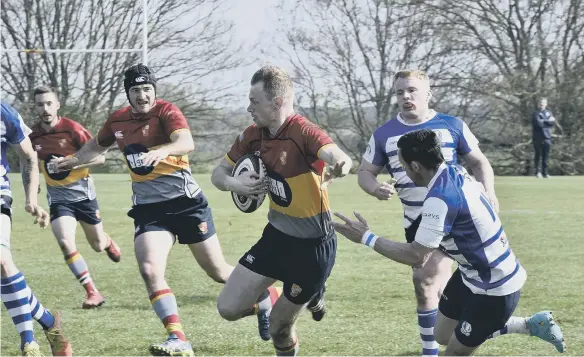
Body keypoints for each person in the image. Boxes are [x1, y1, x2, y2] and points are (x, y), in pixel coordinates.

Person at [334, 129, 566, 356]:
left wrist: (365, 237)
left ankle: (507, 325)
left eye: (404, 166)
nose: (403, 171)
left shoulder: (441, 199)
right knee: (442, 335)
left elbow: (417, 256)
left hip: (495, 286)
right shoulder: (454, 170)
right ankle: (530, 325)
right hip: (470, 274)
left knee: (454, 352)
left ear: (415, 167)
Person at [211, 65, 352, 356]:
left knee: (279, 328)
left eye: (254, 101)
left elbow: (335, 155)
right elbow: (218, 174)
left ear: (277, 102)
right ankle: (270, 296)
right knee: (227, 308)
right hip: (276, 238)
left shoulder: (303, 132)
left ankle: (314, 291)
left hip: (312, 250)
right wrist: (234, 183)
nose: (249, 107)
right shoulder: (252, 135)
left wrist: (340, 165)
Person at [357, 69, 499, 357]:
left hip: (458, 219)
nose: (405, 97)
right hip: (418, 220)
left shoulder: (452, 125)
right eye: (400, 92)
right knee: (424, 285)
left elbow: (479, 162)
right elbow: (365, 172)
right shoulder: (385, 134)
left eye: (411, 90)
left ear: (427, 94)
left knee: (468, 287)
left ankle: (454, 338)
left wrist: (490, 191)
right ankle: (430, 351)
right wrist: (375, 188)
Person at [29, 86, 121, 309]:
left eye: (49, 103)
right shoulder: (33, 136)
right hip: (59, 199)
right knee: (65, 242)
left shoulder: (72, 129)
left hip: (83, 195)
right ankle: (92, 292)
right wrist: (33, 190)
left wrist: (74, 161)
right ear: (35, 107)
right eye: (40, 104)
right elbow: (30, 164)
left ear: (57, 105)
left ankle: (107, 241)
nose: (45, 108)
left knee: (97, 244)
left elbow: (100, 159)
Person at [1, 102, 72, 356]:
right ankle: (50, 323)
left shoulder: (4, 114)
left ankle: (28, 343)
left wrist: (31, 200)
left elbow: (29, 156)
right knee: (3, 276)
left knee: (2, 260)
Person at [532, 98, 561, 178]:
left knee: (546, 156)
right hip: (538, 137)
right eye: (540, 103)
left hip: (547, 137)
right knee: (538, 155)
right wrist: (547, 121)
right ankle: (537, 172)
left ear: (546, 104)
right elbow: (538, 124)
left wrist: (544, 121)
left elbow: (552, 123)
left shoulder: (549, 113)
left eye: (543, 103)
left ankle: (545, 173)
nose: (542, 104)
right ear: (539, 104)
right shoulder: (536, 113)